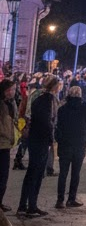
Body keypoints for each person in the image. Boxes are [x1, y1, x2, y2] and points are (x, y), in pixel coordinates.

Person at [16, 74, 60, 217]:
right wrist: (51, 139)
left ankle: (24, 205)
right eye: (58, 85)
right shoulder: (48, 100)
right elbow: (47, 121)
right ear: (54, 86)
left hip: (35, 138)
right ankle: (31, 206)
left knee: (31, 173)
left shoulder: (37, 96)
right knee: (37, 173)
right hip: (41, 140)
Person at [54, 84, 86, 209]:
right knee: (75, 173)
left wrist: (59, 139)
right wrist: (85, 134)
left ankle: (60, 200)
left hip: (65, 144)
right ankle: (71, 199)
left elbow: (58, 127)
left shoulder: (62, 109)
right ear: (80, 95)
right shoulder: (85, 107)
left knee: (63, 173)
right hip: (79, 144)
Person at [0, 77, 18, 211]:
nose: (13, 92)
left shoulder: (10, 104)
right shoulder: (2, 105)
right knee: (2, 176)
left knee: (4, 176)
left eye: (14, 89)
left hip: (6, 145)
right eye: (11, 89)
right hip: (1, 143)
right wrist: (8, 134)